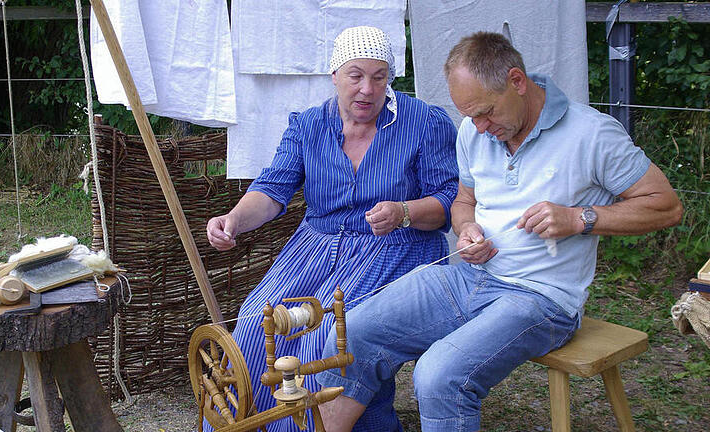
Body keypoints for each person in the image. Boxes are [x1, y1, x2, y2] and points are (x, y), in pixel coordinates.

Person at [316, 31, 683, 432]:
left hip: (541, 299)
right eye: (471, 116)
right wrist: (466, 229)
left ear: (517, 82)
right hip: (469, 277)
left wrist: (580, 218)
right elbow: (462, 201)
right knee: (354, 332)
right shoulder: (474, 130)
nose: (480, 126)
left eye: (487, 113)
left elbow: (665, 206)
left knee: (440, 376)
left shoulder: (592, 134)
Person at [205, 26, 459, 432]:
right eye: (355, 75)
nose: (367, 89)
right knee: (255, 320)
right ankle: (249, 424)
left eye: (379, 77)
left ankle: (322, 426)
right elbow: (272, 190)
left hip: (396, 246)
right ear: (334, 74)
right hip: (316, 248)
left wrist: (404, 211)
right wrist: (233, 220)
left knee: (324, 333)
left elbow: (450, 200)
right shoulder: (308, 126)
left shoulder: (424, 122)